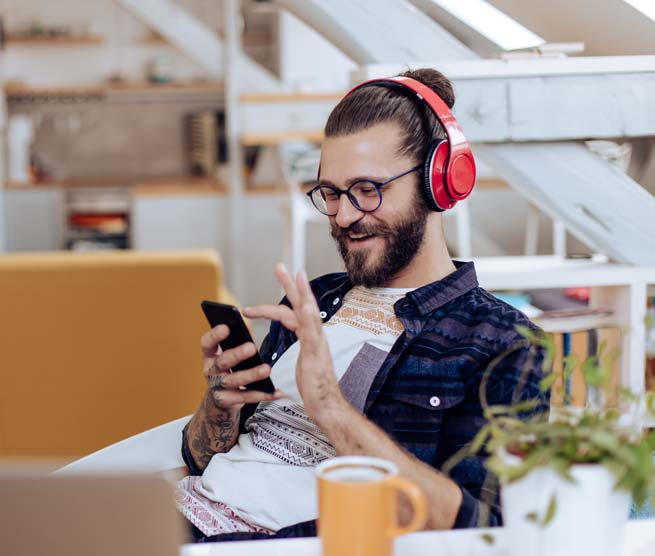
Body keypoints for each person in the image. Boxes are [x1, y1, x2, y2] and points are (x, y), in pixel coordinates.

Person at [176, 68, 546, 541]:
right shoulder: (312, 301)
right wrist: (220, 405)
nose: (345, 216)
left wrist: (329, 404)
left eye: (368, 190)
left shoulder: (501, 342)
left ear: (439, 181)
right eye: (330, 193)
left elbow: (485, 527)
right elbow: (203, 461)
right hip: (179, 515)